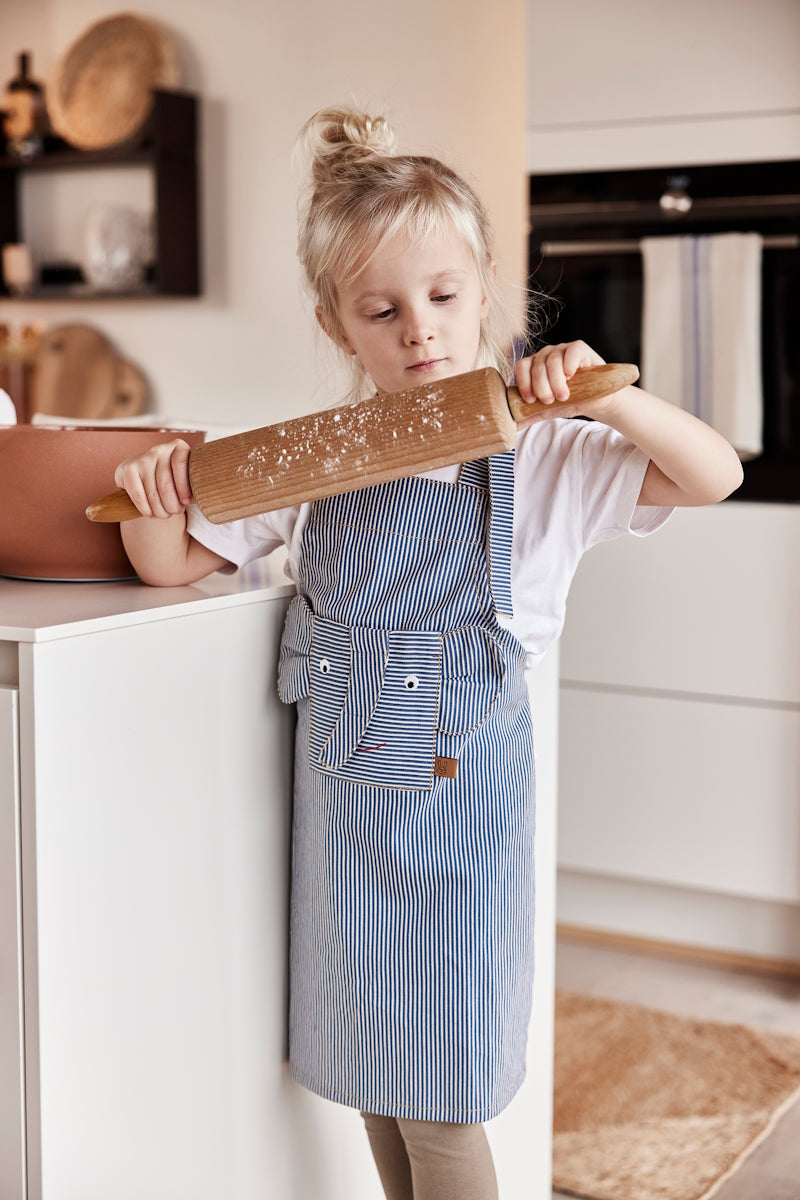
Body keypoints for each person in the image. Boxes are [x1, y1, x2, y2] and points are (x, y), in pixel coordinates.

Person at [114, 106, 743, 1200]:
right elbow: (169, 565)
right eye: (381, 309)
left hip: (460, 851)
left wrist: (616, 392)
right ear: (336, 325)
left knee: (441, 1103)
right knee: (374, 1085)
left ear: (486, 290)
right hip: (348, 845)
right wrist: (147, 497)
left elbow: (710, 475)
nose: (419, 331)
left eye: (444, 298)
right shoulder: (320, 460)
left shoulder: (549, 460)